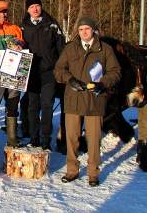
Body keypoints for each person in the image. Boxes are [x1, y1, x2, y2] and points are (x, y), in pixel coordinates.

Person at [54, 16, 121, 186]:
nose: (84, 32)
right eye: (81, 29)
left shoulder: (104, 49)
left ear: (93, 30)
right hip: (74, 99)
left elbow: (115, 71)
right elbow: (58, 70)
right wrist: (69, 79)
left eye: (87, 29)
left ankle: (93, 173)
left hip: (94, 100)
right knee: (71, 138)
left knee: (93, 138)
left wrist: (103, 84)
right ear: (78, 32)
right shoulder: (70, 49)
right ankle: (72, 170)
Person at [20, 0, 65, 150]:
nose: (35, 9)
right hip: (31, 73)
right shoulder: (23, 26)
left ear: (41, 6)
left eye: (37, 6)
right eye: (32, 7)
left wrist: (60, 68)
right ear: (27, 9)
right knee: (33, 107)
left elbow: (61, 47)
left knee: (47, 106)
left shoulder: (51, 24)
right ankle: (34, 138)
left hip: (48, 72)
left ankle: (45, 140)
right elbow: (19, 45)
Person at [0, 0, 24, 147]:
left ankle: (12, 139)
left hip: (14, 70)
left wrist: (19, 45)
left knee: (13, 103)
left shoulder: (15, 28)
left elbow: (22, 43)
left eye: (5, 11)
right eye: (0, 11)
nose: (4, 13)